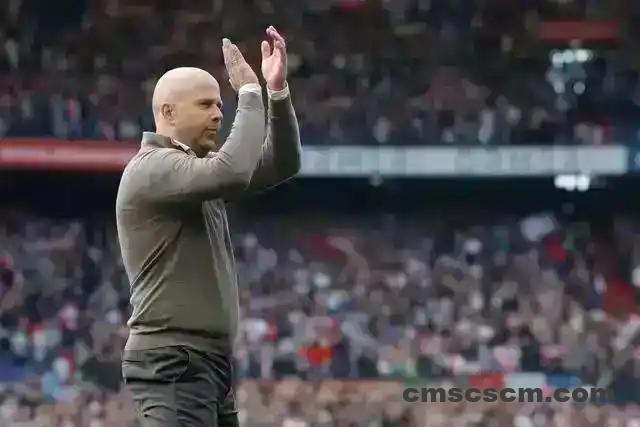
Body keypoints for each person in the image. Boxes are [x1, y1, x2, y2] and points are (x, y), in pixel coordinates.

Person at [115, 26, 301, 426]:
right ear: (168, 113)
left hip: (205, 360)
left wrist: (276, 92)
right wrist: (248, 92)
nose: (218, 113)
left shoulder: (197, 172)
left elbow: (283, 164)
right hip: (174, 359)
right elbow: (232, 172)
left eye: (220, 103)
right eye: (205, 105)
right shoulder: (153, 168)